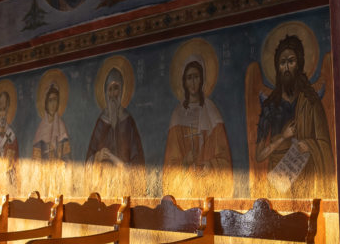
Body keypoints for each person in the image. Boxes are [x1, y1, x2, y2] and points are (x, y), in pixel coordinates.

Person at [255, 35, 333, 198]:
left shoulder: (311, 102)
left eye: (291, 61)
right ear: (277, 68)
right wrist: (282, 137)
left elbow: (325, 143)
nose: (287, 67)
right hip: (278, 182)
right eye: (282, 63)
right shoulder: (270, 106)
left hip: (306, 177)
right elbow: (259, 155)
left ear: (299, 64)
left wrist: (310, 146)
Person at [162, 60, 233, 196]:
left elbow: (225, 158)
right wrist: (185, 162)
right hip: (185, 189)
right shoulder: (178, 114)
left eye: (196, 76)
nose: (193, 82)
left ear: (202, 79)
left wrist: (210, 165)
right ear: (184, 82)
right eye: (189, 78)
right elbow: (169, 167)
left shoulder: (211, 111)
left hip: (208, 187)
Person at [85, 67, 145, 197]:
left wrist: (123, 166)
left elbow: (138, 162)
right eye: (110, 89)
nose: (113, 94)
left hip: (124, 189)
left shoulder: (128, 122)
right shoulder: (101, 122)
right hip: (103, 189)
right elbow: (88, 161)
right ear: (106, 92)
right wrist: (97, 157)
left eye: (116, 88)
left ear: (122, 90)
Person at [32, 83, 71, 159]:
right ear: (46, 103)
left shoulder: (61, 127)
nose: (53, 104)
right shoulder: (41, 129)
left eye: (55, 100)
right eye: (50, 101)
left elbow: (67, 158)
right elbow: (35, 160)